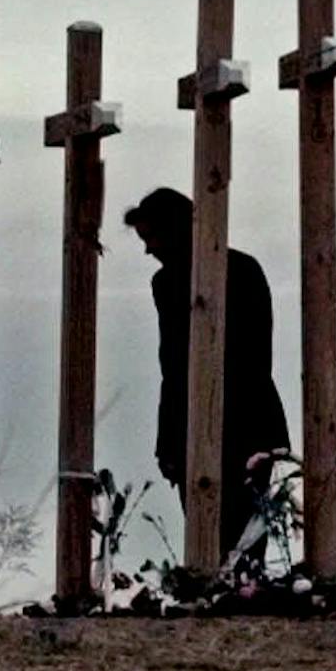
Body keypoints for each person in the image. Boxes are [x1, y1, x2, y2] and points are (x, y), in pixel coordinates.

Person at [122, 187, 290, 563]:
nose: (149, 250)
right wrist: (169, 439)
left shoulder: (242, 270)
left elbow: (255, 355)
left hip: (245, 421)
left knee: (245, 540)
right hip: (190, 425)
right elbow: (172, 365)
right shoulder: (165, 284)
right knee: (205, 541)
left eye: (152, 237)